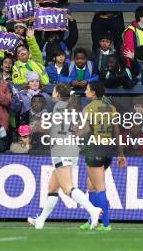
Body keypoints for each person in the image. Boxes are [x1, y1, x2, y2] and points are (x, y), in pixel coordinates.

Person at [28, 84, 102, 230]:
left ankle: (93, 210)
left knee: (68, 188)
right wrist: (71, 136)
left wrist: (34, 128)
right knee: (52, 188)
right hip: (72, 148)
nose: (52, 93)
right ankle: (41, 221)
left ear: (58, 94)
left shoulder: (53, 107)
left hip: (60, 149)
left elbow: (44, 127)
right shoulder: (73, 109)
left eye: (54, 91)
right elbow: (85, 128)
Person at [79, 81, 126, 231]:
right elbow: (117, 132)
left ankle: (105, 224)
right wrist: (121, 154)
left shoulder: (88, 108)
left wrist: (73, 134)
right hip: (108, 151)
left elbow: (86, 130)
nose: (85, 91)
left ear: (93, 93)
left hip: (94, 149)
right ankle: (92, 220)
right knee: (90, 186)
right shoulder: (111, 109)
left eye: (87, 89)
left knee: (99, 188)